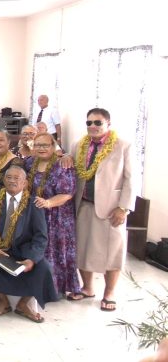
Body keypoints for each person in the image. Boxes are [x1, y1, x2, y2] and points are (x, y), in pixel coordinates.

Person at [68, 108, 140, 311]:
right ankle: (87, 287)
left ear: (108, 123)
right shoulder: (78, 145)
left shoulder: (123, 145)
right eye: (89, 122)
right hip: (83, 204)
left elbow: (132, 179)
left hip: (111, 208)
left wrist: (124, 207)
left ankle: (109, 293)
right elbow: (72, 168)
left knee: (112, 252)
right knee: (83, 249)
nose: (93, 126)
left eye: (98, 123)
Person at [0, 165, 58, 322]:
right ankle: (3, 302)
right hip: (0, 248)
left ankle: (23, 304)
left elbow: (40, 236)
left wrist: (31, 259)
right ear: (4, 180)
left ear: (25, 183)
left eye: (17, 178)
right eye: (9, 177)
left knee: (44, 267)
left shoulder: (34, 203)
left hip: (25, 249)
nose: (12, 181)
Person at [26, 132, 79, 296]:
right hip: (35, 214)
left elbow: (67, 193)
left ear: (53, 146)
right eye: (37, 145)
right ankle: (37, 287)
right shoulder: (29, 163)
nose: (41, 148)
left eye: (45, 145)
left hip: (57, 217)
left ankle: (56, 288)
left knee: (56, 251)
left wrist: (48, 203)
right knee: (38, 250)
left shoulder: (62, 165)